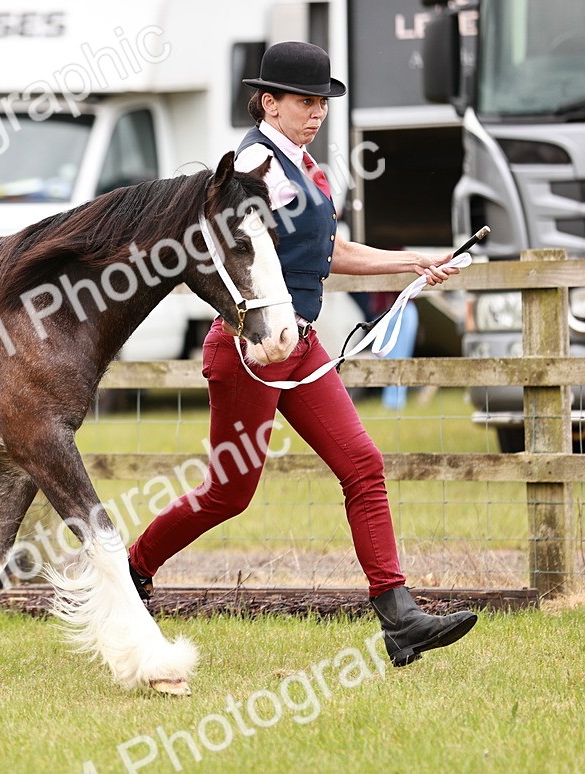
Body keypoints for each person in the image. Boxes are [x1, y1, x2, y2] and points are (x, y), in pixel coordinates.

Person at [126, 41, 477, 667]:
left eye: (320, 102)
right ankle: (133, 571)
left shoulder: (303, 165)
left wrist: (412, 261)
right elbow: (241, 246)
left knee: (363, 465)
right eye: (303, 102)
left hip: (303, 343)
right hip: (253, 349)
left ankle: (398, 616)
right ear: (270, 102)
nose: (316, 113)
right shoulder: (256, 166)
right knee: (230, 494)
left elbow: (328, 252)